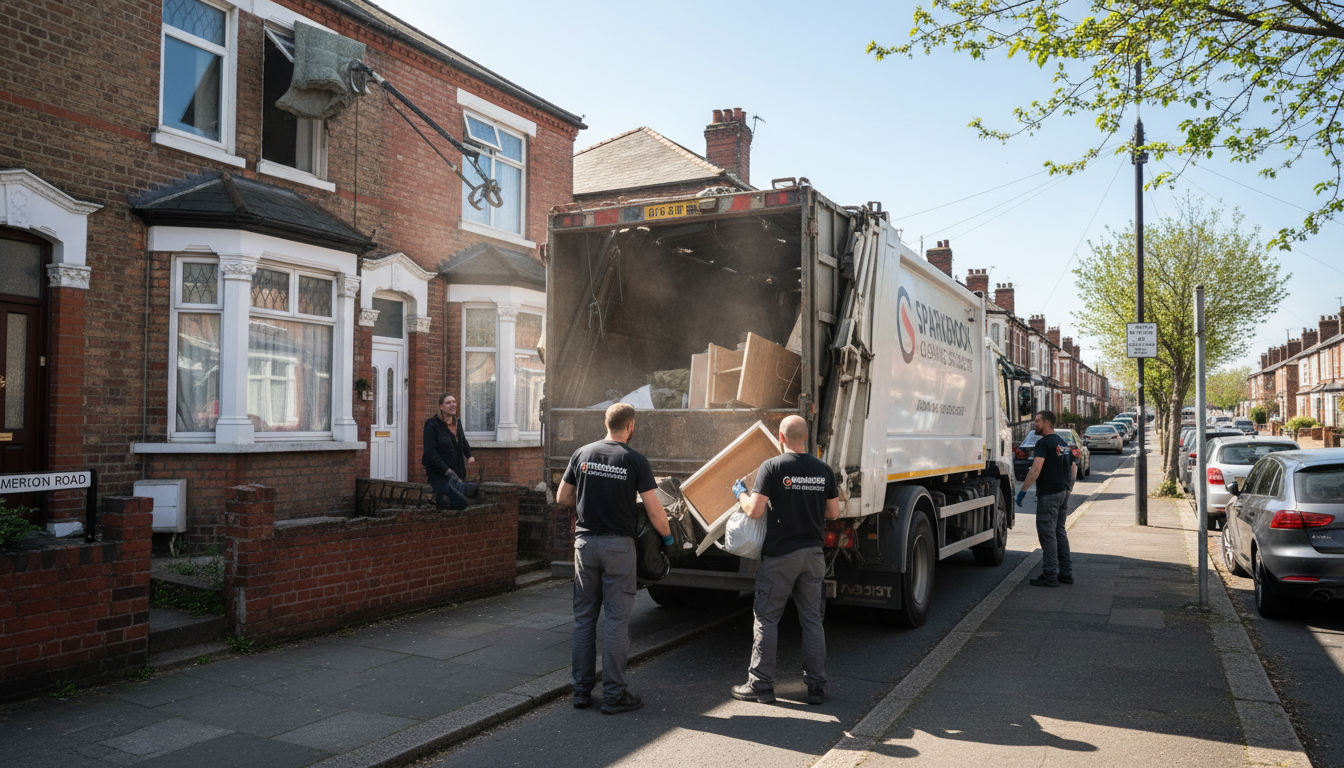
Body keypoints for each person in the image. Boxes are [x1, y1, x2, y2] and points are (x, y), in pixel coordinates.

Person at [557, 403, 674, 715]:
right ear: (631, 426)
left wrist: (587, 506)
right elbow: (654, 509)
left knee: (584, 619)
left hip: (585, 545)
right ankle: (614, 695)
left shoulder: (582, 454)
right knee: (616, 621)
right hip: (619, 548)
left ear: (606, 423)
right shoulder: (634, 460)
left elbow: (562, 497)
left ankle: (581, 691)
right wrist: (668, 539)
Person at [729, 415, 839, 706]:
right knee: (812, 620)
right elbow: (834, 513)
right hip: (813, 555)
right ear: (806, 437)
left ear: (780, 437)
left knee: (767, 619)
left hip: (780, 556)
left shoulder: (773, 467)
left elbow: (754, 511)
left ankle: (761, 686)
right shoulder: (823, 469)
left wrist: (740, 494)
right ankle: (816, 687)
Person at [1016, 409, 1076, 587]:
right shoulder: (1063, 443)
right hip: (1063, 492)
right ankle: (1066, 573)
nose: (1035, 424)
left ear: (1047, 423)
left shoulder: (1043, 443)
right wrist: (1068, 488)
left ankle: (1050, 575)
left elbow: (1036, 469)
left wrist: (1023, 490)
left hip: (1049, 494)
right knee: (1059, 532)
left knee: (1047, 534)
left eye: (1038, 421)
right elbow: (1073, 468)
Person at [422, 393, 478, 510]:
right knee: (460, 503)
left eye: (454, 402)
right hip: (439, 475)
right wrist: (446, 470)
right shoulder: (432, 425)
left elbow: (462, 440)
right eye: (448, 403)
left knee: (476, 493)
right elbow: (430, 453)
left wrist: (469, 455)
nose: (453, 405)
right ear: (441, 407)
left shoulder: (457, 423)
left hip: (457, 474)